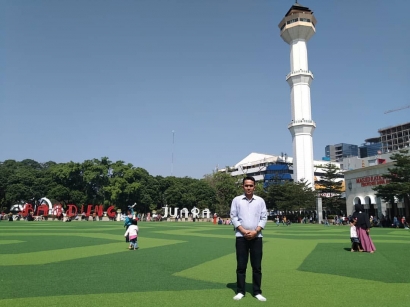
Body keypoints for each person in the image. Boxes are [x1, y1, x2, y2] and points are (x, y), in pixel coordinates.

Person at [230, 176, 267, 302]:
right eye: (246, 185)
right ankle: (240, 291)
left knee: (256, 266)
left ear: (254, 186)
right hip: (241, 237)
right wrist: (244, 231)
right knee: (241, 266)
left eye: (251, 185)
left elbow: (264, 217)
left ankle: (257, 291)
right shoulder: (237, 200)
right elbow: (233, 217)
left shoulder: (260, 201)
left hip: (257, 237)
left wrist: (255, 231)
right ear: (243, 186)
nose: (249, 188)